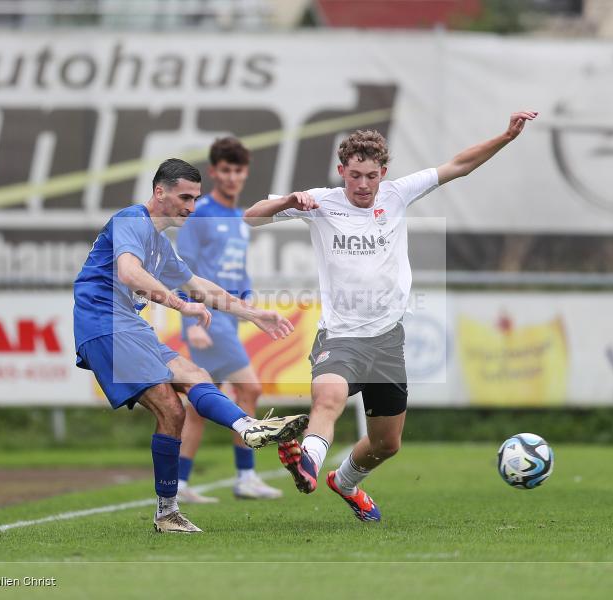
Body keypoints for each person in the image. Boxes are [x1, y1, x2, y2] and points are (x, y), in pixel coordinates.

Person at [243, 111, 538, 522]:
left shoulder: (397, 194)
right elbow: (251, 217)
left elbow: (459, 165)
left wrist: (505, 136)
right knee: (327, 400)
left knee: (386, 444)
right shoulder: (319, 202)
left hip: (386, 340)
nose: (363, 185)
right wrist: (288, 202)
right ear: (341, 171)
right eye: (355, 175)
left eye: (371, 176)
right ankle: (307, 463)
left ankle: (344, 482)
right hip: (340, 336)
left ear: (383, 172)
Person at [73, 158, 308, 533]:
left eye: (196, 198)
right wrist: (180, 305)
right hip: (104, 325)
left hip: (127, 326)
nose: (191, 207)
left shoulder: (159, 243)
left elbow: (199, 286)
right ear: (159, 192)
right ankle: (174, 505)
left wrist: (254, 315)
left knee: (188, 387)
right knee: (170, 405)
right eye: (185, 197)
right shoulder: (133, 220)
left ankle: (240, 434)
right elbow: (129, 273)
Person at [174, 138, 283, 503]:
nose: (232, 177)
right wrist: (190, 323)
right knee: (249, 390)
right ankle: (246, 476)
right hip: (208, 321)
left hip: (228, 319)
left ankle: (181, 483)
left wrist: (250, 309)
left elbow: (238, 272)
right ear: (214, 172)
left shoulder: (239, 218)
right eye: (225, 170)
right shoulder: (201, 213)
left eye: (238, 170)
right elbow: (184, 268)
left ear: (245, 173)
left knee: (199, 406)